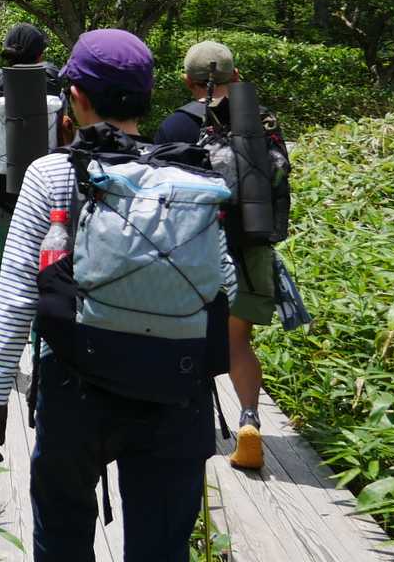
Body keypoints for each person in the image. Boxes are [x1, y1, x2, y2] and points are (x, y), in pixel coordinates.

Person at [0, 29, 230, 561]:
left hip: (77, 386)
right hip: (176, 387)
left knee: (62, 536)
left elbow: (19, 290)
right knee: (161, 548)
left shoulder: (53, 172)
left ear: (76, 97)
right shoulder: (189, 176)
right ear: (148, 96)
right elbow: (222, 280)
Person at [154, 40, 275, 472]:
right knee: (238, 340)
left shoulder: (174, 126)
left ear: (187, 81)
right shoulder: (261, 122)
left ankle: (184, 425)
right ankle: (249, 419)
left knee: (184, 337)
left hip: (193, 251)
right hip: (252, 245)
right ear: (236, 77)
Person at [0, 22, 62, 326]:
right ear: (41, 54)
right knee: (42, 281)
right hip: (45, 203)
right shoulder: (58, 93)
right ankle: (38, 347)